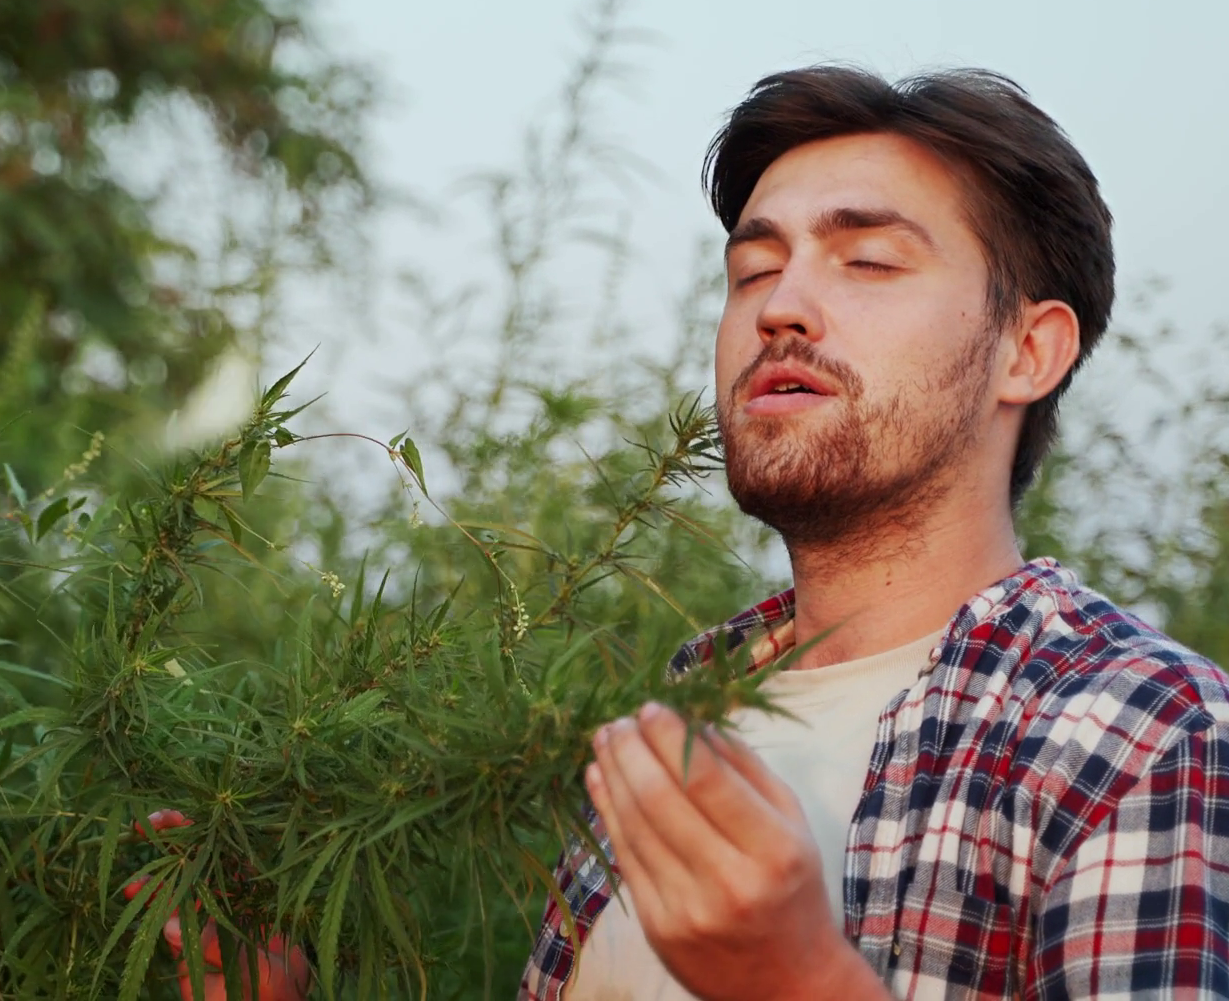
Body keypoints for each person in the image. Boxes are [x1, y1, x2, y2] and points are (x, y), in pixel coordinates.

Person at [521, 65, 1229, 1000]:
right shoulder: (669, 722)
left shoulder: (1139, 732)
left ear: (1028, 351)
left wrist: (796, 977)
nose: (779, 307)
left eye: (869, 262)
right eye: (753, 271)